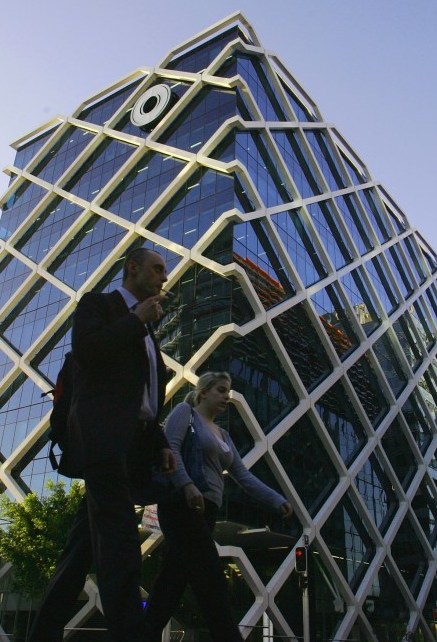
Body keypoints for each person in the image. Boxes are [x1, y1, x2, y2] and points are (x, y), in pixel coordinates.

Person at [40, 247, 175, 642]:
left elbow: (143, 397)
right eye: (157, 269)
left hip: (134, 447)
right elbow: (88, 351)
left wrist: (161, 442)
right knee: (119, 543)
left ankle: (43, 632)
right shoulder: (99, 306)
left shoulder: (148, 327)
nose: (163, 277)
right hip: (103, 443)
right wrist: (135, 320)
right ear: (132, 268)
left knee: (79, 554)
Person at [143, 372, 294, 642]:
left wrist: (277, 500)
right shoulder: (185, 412)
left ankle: (143, 634)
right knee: (211, 576)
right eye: (221, 390)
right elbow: (171, 449)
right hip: (181, 504)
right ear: (203, 392)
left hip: (207, 510)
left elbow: (242, 475)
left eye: (228, 392)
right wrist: (186, 484)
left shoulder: (222, 433)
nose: (227, 396)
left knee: (173, 580)